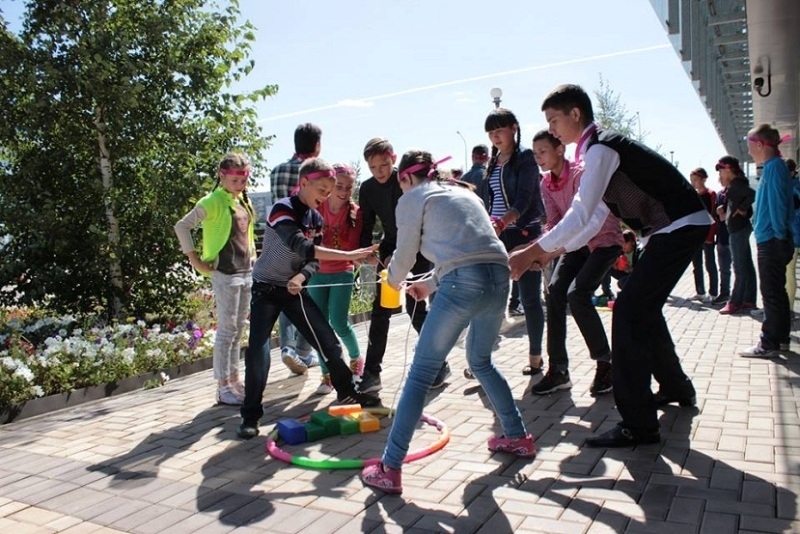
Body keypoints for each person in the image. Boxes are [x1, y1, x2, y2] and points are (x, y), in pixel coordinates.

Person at [509, 84, 710, 448]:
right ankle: (675, 387)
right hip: (673, 229)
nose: (552, 129)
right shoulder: (597, 152)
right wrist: (550, 253)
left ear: (575, 114)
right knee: (642, 310)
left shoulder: (600, 149)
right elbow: (591, 221)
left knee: (629, 312)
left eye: (554, 120)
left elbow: (580, 213)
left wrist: (533, 250)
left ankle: (638, 424)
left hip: (679, 226)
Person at [360, 150, 535, 494]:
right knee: (481, 362)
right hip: (498, 277)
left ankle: (389, 467)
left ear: (405, 177)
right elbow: (470, 250)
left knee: (421, 374)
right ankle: (517, 437)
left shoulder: (412, 198)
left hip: (463, 281)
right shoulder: (462, 193)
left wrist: (392, 280)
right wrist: (429, 284)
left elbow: (404, 255)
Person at [238, 158, 381, 439]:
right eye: (322, 189)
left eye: (329, 191)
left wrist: (301, 277)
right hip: (266, 288)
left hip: (293, 289)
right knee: (258, 352)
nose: (326, 195)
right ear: (304, 183)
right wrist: (349, 255)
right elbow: (301, 245)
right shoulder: (282, 209)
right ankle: (250, 416)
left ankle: (347, 392)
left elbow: (311, 261)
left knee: (326, 339)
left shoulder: (315, 218)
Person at [529, 130, 622, 397]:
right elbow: (555, 224)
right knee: (555, 292)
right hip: (575, 246)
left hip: (603, 240)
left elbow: (587, 221)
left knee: (578, 294)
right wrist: (534, 248)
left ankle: (606, 364)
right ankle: (558, 370)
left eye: (543, 151)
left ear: (560, 150)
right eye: (535, 154)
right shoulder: (546, 183)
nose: (538, 158)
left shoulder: (581, 174)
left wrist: (547, 252)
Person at [357, 138, 450, 394]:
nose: (379, 172)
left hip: (418, 248)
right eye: (373, 167)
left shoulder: (406, 180)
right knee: (380, 311)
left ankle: (439, 363)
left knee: (415, 308)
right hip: (389, 248)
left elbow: (417, 226)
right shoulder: (367, 189)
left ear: (393, 159)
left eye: (384, 165)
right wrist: (367, 253)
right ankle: (372, 373)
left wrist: (400, 259)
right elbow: (366, 226)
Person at [174, 153, 256, 406]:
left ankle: (234, 380)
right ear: (222, 176)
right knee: (226, 330)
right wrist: (195, 260)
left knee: (238, 329)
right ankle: (222, 387)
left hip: (245, 272)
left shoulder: (242, 201)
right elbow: (182, 226)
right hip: (225, 273)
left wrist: (254, 258)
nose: (240, 185)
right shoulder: (212, 201)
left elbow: (246, 235)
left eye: (243, 180)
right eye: (235, 180)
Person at [478, 108, 545, 376]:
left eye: (499, 130)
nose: (495, 137)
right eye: (490, 133)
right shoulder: (493, 162)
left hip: (523, 232)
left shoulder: (525, 157)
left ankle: (536, 357)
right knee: (489, 297)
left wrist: (504, 221)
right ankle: (480, 357)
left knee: (529, 299)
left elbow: (525, 198)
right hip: (498, 234)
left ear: (514, 128)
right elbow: (490, 200)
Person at [307, 164, 365, 395]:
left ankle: (356, 360)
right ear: (330, 185)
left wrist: (363, 256)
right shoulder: (316, 206)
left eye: (349, 187)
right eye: (339, 186)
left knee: (339, 322)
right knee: (319, 326)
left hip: (342, 271)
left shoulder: (355, 212)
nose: (344, 191)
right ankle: (327, 374)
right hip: (316, 272)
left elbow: (354, 248)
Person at [270, 123, 323, 376]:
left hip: (280, 242)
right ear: (317, 145)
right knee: (306, 296)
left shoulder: (276, 172)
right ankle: (301, 351)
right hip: (306, 240)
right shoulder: (318, 174)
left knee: (287, 294)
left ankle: (289, 348)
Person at [739, 125, 794, 358]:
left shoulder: (773, 168)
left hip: (771, 240)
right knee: (776, 291)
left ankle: (768, 342)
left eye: (750, 145)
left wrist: (779, 236)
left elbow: (778, 206)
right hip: (773, 238)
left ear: (760, 144)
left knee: (770, 292)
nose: (749, 151)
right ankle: (781, 339)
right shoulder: (775, 167)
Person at [717, 156, 757, 315]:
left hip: (738, 231)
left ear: (728, 169)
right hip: (739, 229)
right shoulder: (735, 185)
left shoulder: (737, 185)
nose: (720, 175)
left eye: (721, 171)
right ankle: (749, 300)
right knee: (746, 266)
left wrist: (743, 208)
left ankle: (735, 302)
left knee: (739, 268)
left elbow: (752, 194)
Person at [688, 168, 718, 302]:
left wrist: (710, 236)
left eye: (695, 180)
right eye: (692, 180)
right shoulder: (693, 196)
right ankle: (700, 292)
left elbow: (713, 215)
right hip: (695, 235)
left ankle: (713, 293)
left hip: (707, 235)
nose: (693, 182)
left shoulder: (710, 194)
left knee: (710, 264)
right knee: (697, 265)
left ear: (703, 179)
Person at [714, 182, 732, 305]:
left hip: (734, 235)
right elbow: (714, 214)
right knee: (723, 268)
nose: (720, 178)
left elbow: (747, 212)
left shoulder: (736, 192)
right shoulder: (719, 194)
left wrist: (727, 215)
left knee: (740, 268)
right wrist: (718, 212)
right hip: (721, 236)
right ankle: (724, 293)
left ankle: (743, 297)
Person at [785, 159, 799, 317]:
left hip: (793, 236)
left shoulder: (791, 188)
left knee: (788, 272)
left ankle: (788, 308)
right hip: (794, 235)